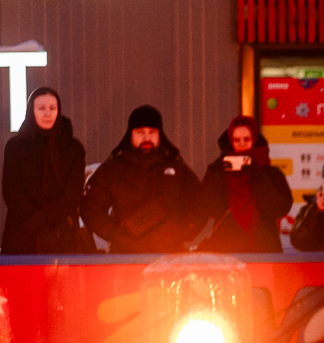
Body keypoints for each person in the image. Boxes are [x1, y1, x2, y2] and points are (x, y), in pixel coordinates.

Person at [80, 105, 200, 254]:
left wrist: (184, 231)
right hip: (125, 256)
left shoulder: (177, 169)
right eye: (140, 132)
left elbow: (199, 203)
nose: (146, 137)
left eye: (152, 132)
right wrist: (116, 235)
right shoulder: (112, 169)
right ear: (130, 135)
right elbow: (90, 208)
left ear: (160, 134)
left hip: (170, 257)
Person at [1, 87, 86, 254]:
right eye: (41, 108)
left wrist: (40, 219)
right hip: (22, 236)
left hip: (61, 237)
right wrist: (33, 222)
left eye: (52, 108)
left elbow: (72, 195)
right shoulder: (15, 147)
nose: (47, 113)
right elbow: (12, 191)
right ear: (31, 111)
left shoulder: (73, 148)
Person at [196, 116, 292, 253]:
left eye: (247, 139)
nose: (242, 144)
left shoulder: (270, 173)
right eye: (236, 140)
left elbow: (279, 208)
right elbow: (206, 208)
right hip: (226, 250)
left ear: (255, 139)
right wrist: (217, 173)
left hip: (263, 252)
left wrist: (257, 177)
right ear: (230, 141)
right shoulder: (218, 170)